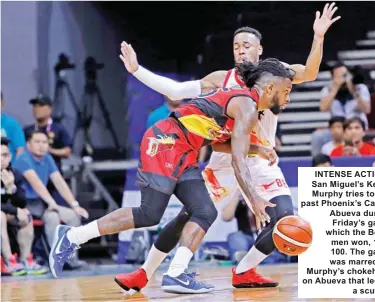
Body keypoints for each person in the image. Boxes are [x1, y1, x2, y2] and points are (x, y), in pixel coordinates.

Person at [115, 2, 340, 292]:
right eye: (236, 46)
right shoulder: (220, 79)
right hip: (225, 161)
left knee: (285, 218)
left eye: (247, 45)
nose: (241, 50)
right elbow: (175, 91)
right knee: (189, 217)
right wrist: (137, 71)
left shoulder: (275, 76)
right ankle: (144, 273)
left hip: (259, 161)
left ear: (260, 50)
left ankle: (245, 270)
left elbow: (309, 72)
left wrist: (318, 37)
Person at [49, 58, 295, 293]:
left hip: (185, 150)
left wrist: (258, 148)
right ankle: (72, 235)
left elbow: (221, 144)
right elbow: (238, 160)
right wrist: (255, 200)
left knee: (205, 210)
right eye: (286, 91)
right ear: (270, 87)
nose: (288, 98)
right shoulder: (246, 106)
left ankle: (176, 273)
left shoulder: (246, 106)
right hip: (165, 140)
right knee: (149, 213)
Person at [13, 130, 89, 269]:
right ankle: (56, 259)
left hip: (42, 202)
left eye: (44, 142)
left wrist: (74, 205)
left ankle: (71, 259)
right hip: (25, 204)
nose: (41, 145)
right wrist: (52, 203)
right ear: (28, 145)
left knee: (73, 216)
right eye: (37, 142)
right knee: (53, 217)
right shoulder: (23, 159)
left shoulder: (47, 157)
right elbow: (37, 184)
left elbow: (59, 182)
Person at [1, 137, 47, 275]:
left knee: (26, 215)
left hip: (6, 212)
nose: (2, 159)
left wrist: (11, 188)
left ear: (9, 156)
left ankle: (26, 260)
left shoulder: (14, 174)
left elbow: (22, 202)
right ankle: (9, 261)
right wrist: (14, 210)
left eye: (4, 155)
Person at [312, 61, 371, 155]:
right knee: (317, 136)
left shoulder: (360, 88)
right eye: (338, 76)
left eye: (344, 75)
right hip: (337, 129)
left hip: (357, 127)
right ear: (333, 78)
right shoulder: (327, 89)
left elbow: (366, 110)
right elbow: (323, 108)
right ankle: (318, 165)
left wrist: (353, 91)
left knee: (353, 130)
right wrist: (335, 88)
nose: (342, 79)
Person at [24, 94, 73, 173]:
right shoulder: (27, 130)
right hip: (32, 173)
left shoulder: (58, 128)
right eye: (35, 106)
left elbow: (67, 152)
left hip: (53, 174)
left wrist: (48, 150)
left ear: (50, 109)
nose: (36, 109)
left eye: (40, 106)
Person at [0, 92, 26, 163]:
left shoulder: (12, 124)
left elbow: (20, 149)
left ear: (2, 104)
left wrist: (13, 169)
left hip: (7, 168)